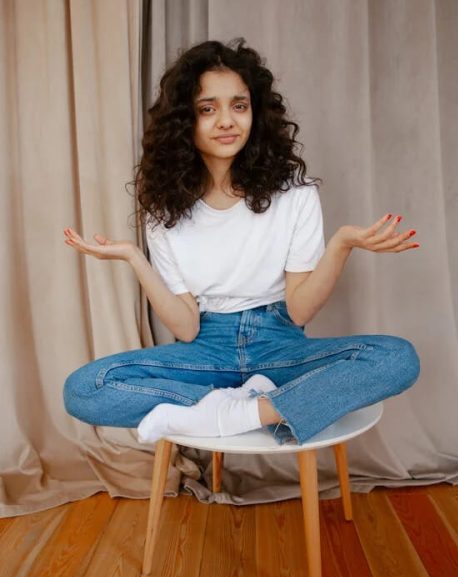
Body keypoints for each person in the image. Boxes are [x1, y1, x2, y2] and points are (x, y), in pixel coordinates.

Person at [63, 38, 421, 446]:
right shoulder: (165, 208)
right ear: (184, 122)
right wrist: (133, 257)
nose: (227, 121)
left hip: (280, 344)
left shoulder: (294, 194)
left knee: (397, 359)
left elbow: (300, 311)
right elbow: (185, 325)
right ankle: (256, 406)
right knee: (84, 388)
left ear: (256, 113)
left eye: (239, 105)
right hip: (205, 351)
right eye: (207, 109)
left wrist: (340, 245)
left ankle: (242, 411)